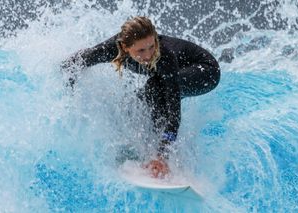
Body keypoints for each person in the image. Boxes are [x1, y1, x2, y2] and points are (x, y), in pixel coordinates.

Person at [61, 16, 220, 178]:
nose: (149, 54)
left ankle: (161, 158)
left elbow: (174, 116)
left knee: (156, 89)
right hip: (175, 74)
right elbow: (77, 63)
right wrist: (71, 93)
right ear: (125, 47)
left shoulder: (164, 56)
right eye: (141, 50)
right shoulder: (111, 49)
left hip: (205, 72)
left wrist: (162, 154)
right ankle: (146, 149)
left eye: (152, 46)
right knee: (135, 103)